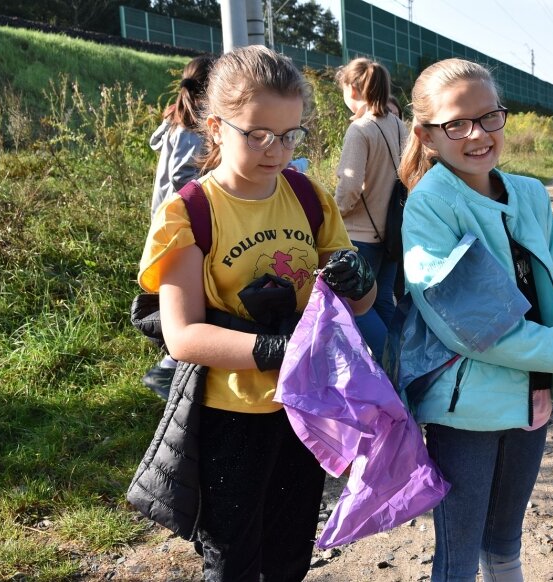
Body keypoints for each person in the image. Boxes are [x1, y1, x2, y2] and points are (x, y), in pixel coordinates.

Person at [137, 45, 376, 581]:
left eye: (290, 135)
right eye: (259, 134)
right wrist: (278, 350)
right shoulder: (190, 213)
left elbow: (359, 305)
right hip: (232, 416)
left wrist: (360, 284)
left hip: (304, 410)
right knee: (232, 558)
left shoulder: (309, 196)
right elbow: (182, 336)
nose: (277, 150)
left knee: (291, 552)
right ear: (217, 127)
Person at [396, 58, 553, 582]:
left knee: (505, 542)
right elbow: (472, 326)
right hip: (467, 414)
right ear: (426, 135)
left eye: (489, 117)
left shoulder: (530, 194)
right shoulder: (429, 207)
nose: (477, 135)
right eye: (456, 124)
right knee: (458, 556)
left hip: (533, 399)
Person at [142, 53, 215, 398]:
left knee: (178, 298)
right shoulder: (191, 124)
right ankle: (169, 368)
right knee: (190, 299)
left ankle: (175, 363)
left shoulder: (177, 117)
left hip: (169, 220)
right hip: (181, 224)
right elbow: (182, 176)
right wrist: (217, 181)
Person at [334, 57, 408, 362]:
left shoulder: (360, 130)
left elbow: (350, 186)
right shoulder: (399, 125)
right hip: (391, 232)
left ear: (353, 88)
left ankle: (389, 365)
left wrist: (333, 216)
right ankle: (405, 364)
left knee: (354, 304)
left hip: (360, 236)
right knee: (382, 303)